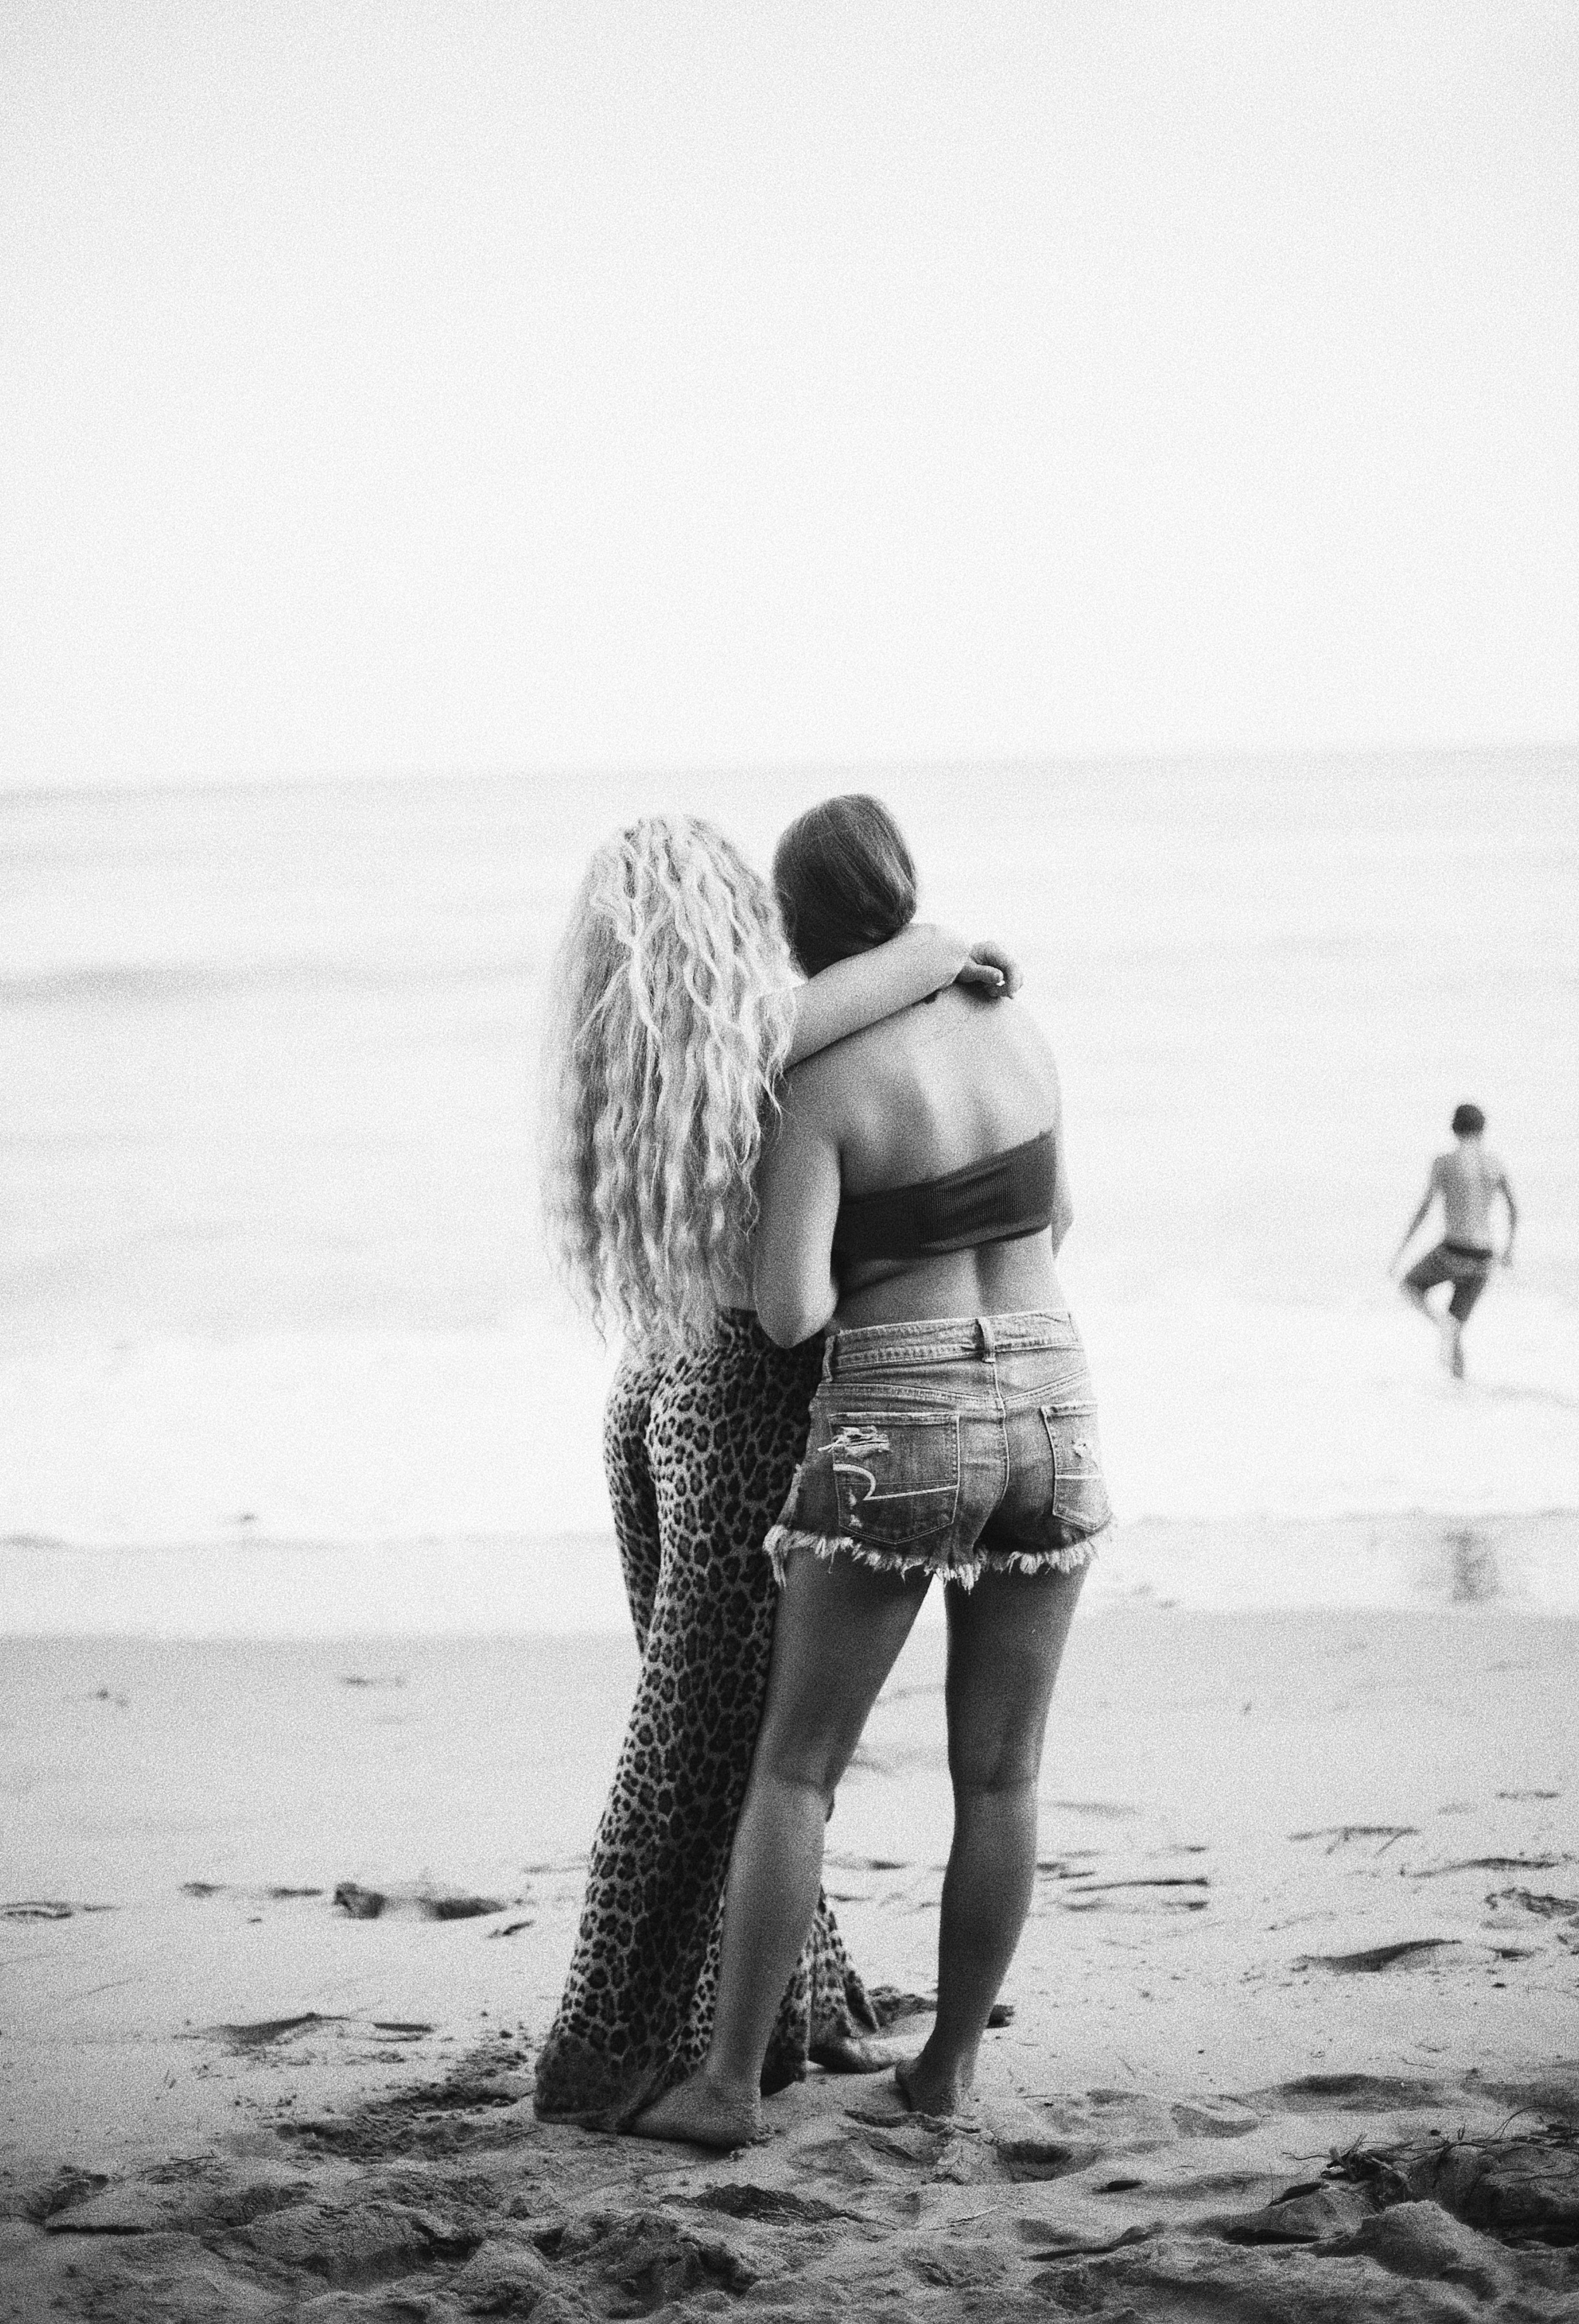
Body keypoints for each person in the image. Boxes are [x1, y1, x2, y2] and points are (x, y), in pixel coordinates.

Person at [634, 794, 1112, 2150]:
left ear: (789, 925)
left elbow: (788, 1311)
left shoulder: (819, 1079)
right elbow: (1058, 1219)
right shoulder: (1017, 1025)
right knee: (1004, 1773)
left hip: (897, 1410)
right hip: (1055, 1391)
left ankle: (725, 2089)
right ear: (905, 888)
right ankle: (948, 2070)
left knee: (797, 1771)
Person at [532, 812, 1021, 2127]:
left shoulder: (637, 1055)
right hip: (742, 1411)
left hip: (661, 1395)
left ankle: (781, 2006)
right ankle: (620, 2045)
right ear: (719, 930)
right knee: (711, 1749)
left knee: (738, 1743)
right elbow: (909, 962)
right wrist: (950, 949)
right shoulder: (744, 1043)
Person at [1390, 1104, 1518, 1379]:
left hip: (1453, 1251)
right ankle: (1460, 1390)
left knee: (1409, 1286)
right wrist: (1508, 1250)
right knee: (1456, 1330)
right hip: (1484, 1258)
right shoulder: (1495, 1164)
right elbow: (1514, 1209)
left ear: (1454, 1128)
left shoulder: (1445, 1162)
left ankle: (1441, 1325)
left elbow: (1425, 1210)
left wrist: (1401, 1251)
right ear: (1482, 1129)